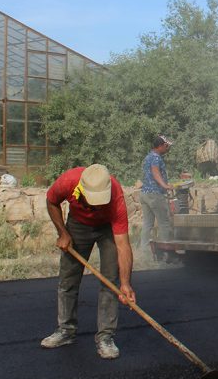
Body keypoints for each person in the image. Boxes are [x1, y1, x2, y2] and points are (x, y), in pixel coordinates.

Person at [40, 163, 135, 360]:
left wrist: (126, 283)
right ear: (82, 191)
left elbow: (123, 245)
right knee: (68, 280)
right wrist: (63, 233)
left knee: (111, 280)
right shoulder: (68, 181)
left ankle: (106, 337)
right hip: (78, 225)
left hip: (106, 228)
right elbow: (51, 202)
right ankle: (66, 330)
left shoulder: (115, 195)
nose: (97, 205)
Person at [140, 134, 174, 261]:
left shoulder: (148, 156)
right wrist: (164, 185)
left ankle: (144, 252)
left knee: (147, 224)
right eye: (166, 146)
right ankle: (165, 253)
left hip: (145, 193)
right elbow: (155, 172)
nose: (167, 148)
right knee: (164, 223)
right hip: (155, 194)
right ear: (160, 146)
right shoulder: (156, 158)